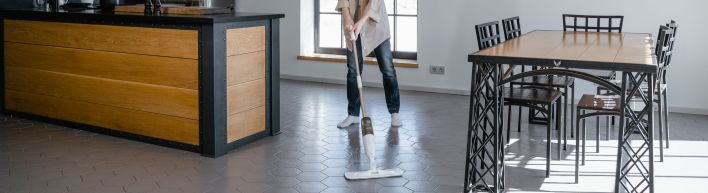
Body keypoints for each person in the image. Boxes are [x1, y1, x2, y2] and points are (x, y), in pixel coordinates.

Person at [335, 0, 402, 128]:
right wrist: (347, 17)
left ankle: (394, 112)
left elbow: (375, 2)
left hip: (376, 26)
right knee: (353, 71)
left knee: (388, 70)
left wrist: (362, 21)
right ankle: (353, 114)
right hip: (353, 25)